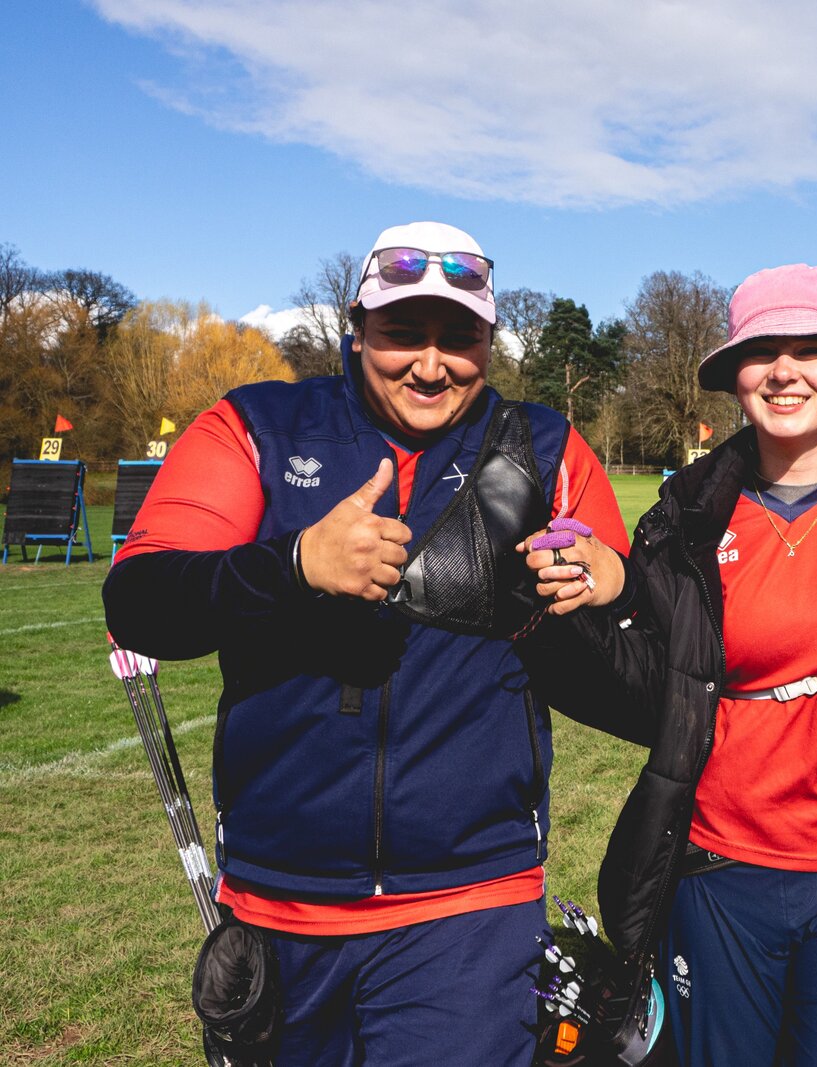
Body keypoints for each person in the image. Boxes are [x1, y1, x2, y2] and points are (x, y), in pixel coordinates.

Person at [102, 221, 629, 1066]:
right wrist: (296, 564)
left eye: (459, 337)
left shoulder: (547, 446)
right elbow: (140, 599)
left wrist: (611, 579)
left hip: (471, 902)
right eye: (402, 334)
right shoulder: (256, 426)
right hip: (281, 902)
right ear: (356, 328)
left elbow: (632, 646)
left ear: (490, 339)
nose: (431, 364)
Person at [521, 263, 817, 1066]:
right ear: (735, 377)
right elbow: (646, 695)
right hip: (716, 874)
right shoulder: (681, 519)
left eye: (811, 348)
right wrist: (578, 609)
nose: (785, 369)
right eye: (762, 351)